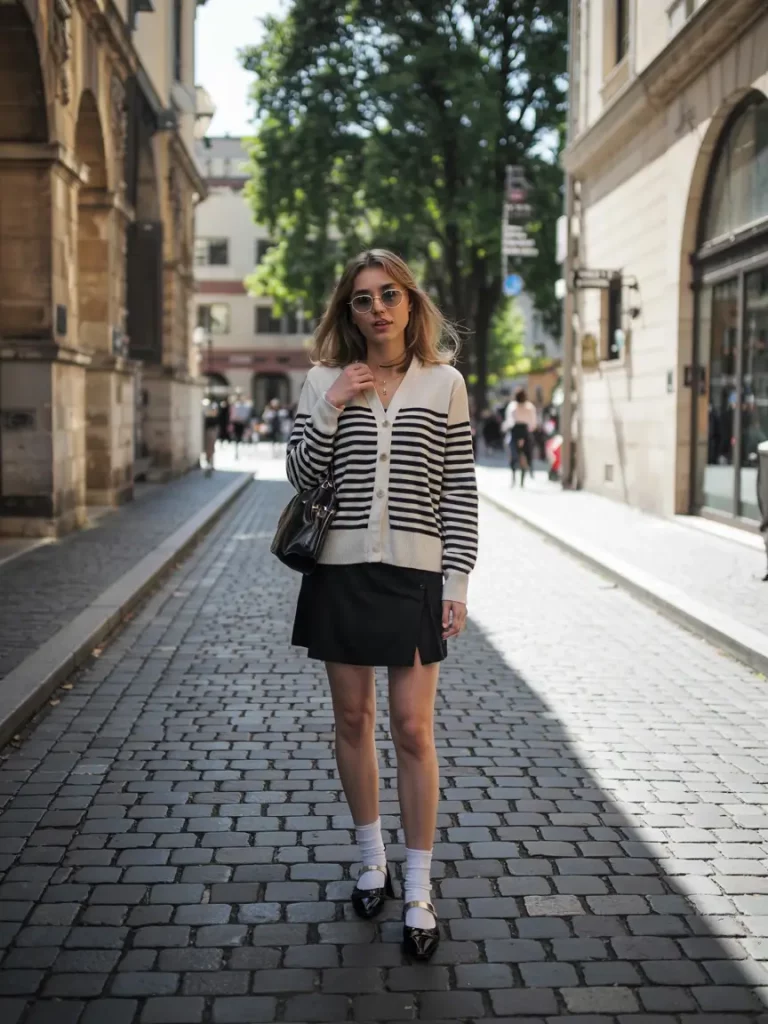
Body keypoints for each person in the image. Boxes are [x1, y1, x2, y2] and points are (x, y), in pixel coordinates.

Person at [286, 249, 478, 962]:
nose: (378, 309)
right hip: (340, 572)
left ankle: (420, 886)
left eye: (389, 295)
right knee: (353, 719)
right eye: (363, 299)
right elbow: (300, 474)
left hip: (415, 577)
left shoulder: (445, 383)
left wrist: (456, 581)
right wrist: (334, 401)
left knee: (413, 728)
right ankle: (373, 859)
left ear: (410, 303)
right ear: (350, 311)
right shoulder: (323, 380)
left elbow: (458, 488)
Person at [503, 388, 537, 487]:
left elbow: (509, 421)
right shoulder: (529, 407)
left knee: (514, 455)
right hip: (524, 432)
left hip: (516, 432)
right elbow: (533, 423)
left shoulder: (513, 406)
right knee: (524, 456)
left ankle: (515, 478)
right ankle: (521, 479)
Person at [202, 398, 219, 476]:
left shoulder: (213, 417)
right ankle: (208, 463)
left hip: (212, 431)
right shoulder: (206, 417)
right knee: (208, 449)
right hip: (208, 432)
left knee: (211, 449)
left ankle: (210, 464)